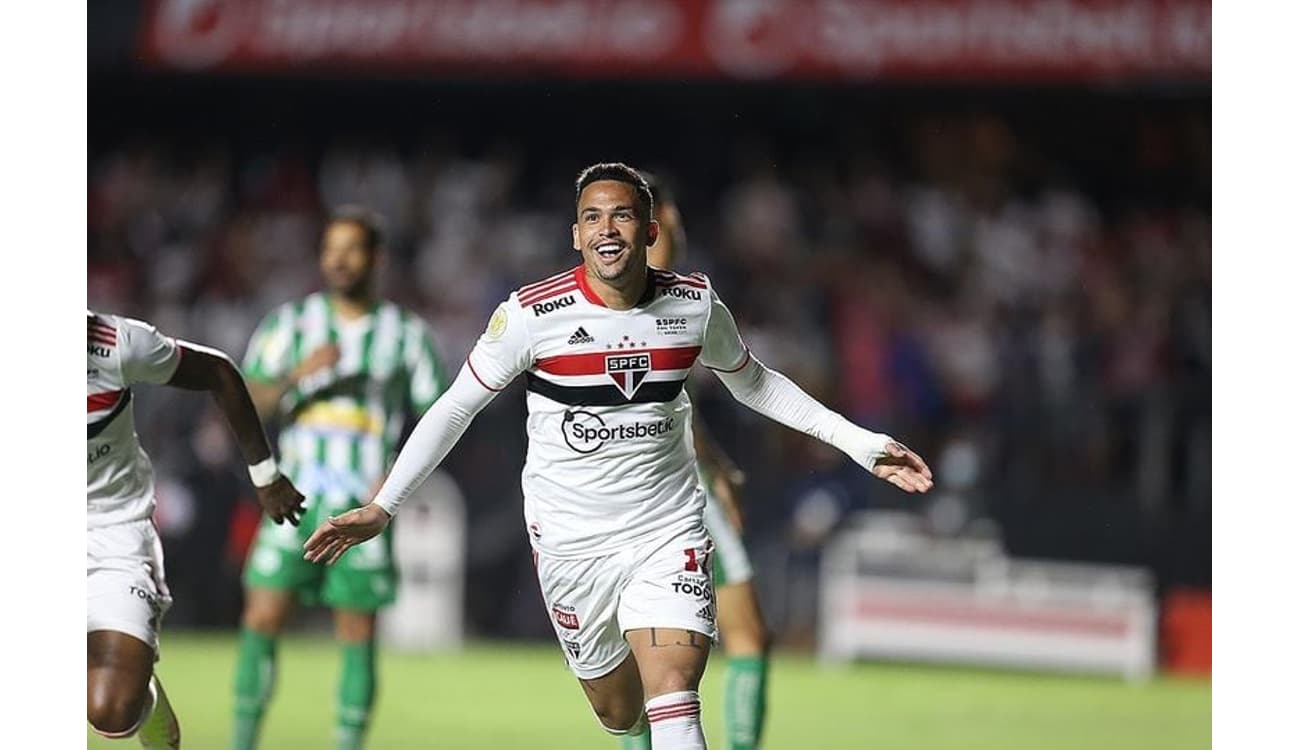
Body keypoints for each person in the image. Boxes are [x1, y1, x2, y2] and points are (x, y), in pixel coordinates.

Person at [303, 164, 933, 750]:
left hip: (665, 527)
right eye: (595, 217)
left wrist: (861, 443)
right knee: (617, 710)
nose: (609, 228)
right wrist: (384, 507)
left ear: (650, 230)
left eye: (623, 215)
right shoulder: (530, 317)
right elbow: (453, 408)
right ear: (576, 235)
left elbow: (756, 383)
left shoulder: (692, 305)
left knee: (675, 691)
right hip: (571, 542)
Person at [232, 206, 449, 750]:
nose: (339, 260)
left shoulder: (405, 335)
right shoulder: (289, 325)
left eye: (352, 249)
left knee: (357, 632)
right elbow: (246, 400)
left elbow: (441, 417)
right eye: (331, 249)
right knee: (261, 616)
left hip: (362, 504)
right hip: (294, 499)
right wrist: (298, 374)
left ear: (376, 258)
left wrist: (397, 479)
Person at [87, 310, 306, 749]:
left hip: (111, 531)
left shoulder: (115, 343)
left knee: (112, 711)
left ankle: (145, 706)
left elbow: (220, 373)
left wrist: (264, 474)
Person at [609, 171, 770, 750]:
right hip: (661, 491)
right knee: (717, 643)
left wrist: (719, 465)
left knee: (666, 661)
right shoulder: (651, 283)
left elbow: (675, 407)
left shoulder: (680, 301)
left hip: (683, 477)